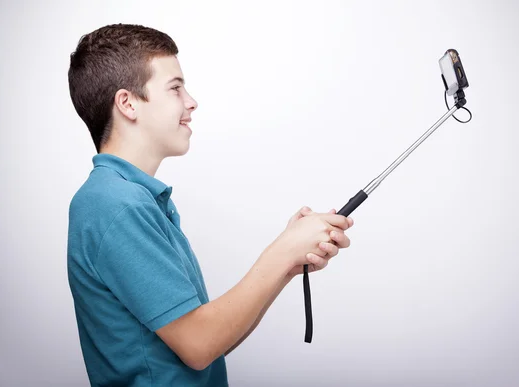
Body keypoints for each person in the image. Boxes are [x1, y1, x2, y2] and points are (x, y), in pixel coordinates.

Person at [66, 23, 354, 386]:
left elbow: (210, 343)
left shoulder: (135, 199)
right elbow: (199, 345)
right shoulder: (116, 204)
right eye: (175, 88)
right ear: (128, 103)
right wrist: (282, 251)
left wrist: (290, 261)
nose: (191, 101)